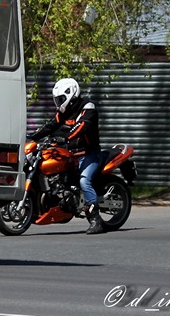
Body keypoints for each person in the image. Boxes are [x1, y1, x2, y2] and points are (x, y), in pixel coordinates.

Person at [28, 77, 104, 234]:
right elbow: (51, 124)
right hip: (71, 153)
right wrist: (33, 136)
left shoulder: (87, 107)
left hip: (89, 153)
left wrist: (66, 137)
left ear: (71, 94)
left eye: (60, 98)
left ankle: (96, 219)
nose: (58, 102)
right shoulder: (64, 111)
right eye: (57, 99)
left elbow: (82, 126)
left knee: (84, 180)